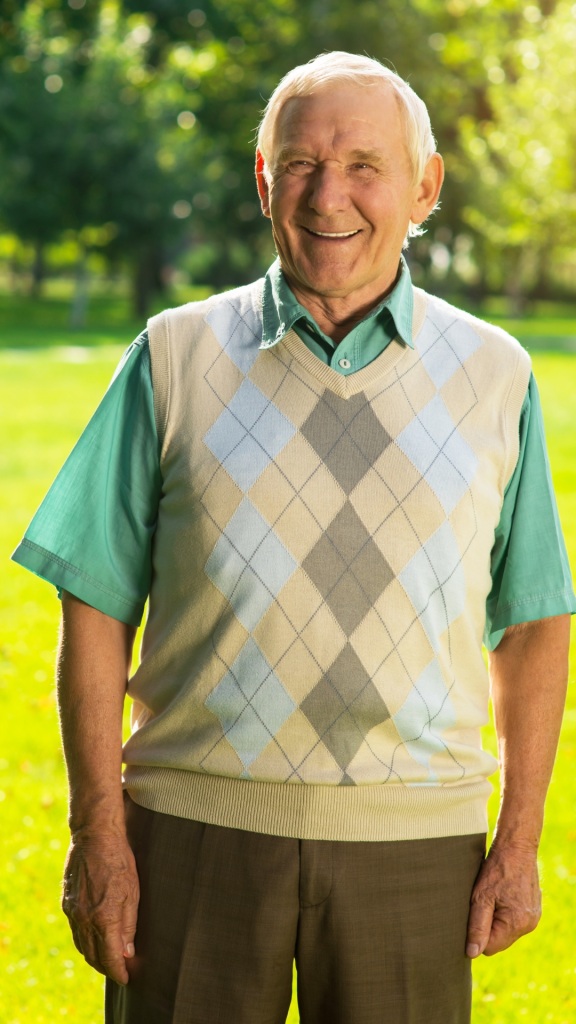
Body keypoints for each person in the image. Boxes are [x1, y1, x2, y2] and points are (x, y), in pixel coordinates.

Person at [12, 51, 575, 1024]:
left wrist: (518, 841)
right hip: (190, 839)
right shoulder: (172, 356)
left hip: (416, 847)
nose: (331, 195)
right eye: (303, 163)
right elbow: (93, 605)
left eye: (365, 164)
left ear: (424, 186)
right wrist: (99, 833)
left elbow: (532, 623)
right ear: (264, 177)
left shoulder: (499, 374)